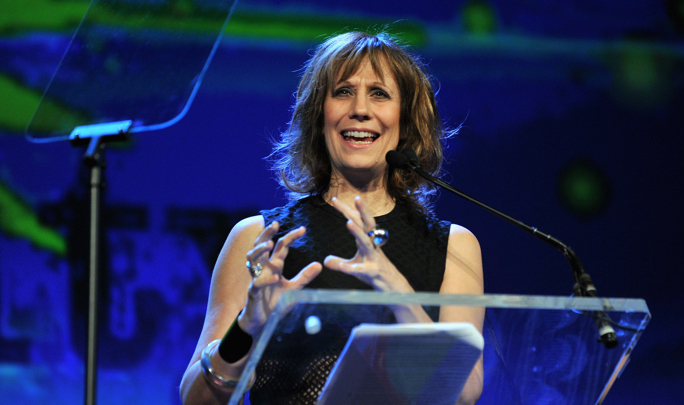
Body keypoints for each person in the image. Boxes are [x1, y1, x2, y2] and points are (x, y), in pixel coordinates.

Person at [180, 31, 484, 405]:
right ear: (318, 115)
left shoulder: (453, 247)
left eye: (379, 93)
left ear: (405, 121)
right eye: (343, 91)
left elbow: (465, 392)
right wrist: (248, 325)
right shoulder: (259, 239)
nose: (360, 109)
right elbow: (196, 399)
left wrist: (396, 290)